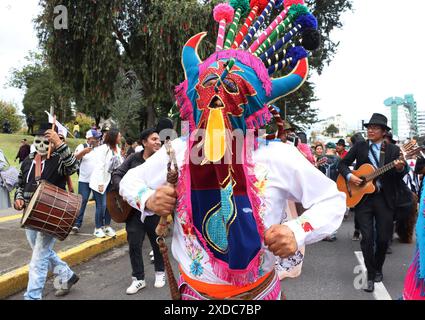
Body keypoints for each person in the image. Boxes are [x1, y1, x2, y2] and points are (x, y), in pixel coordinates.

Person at [119, 3, 344, 300]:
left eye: (232, 94)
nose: (216, 105)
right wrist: (149, 197)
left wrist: (297, 231)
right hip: (193, 295)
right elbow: (128, 181)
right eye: (208, 91)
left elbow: (332, 199)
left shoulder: (277, 156)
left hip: (259, 294)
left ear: (251, 108)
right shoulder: (180, 150)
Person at [338, 113, 408, 293]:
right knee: (367, 239)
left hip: (385, 199)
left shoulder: (392, 150)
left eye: (375, 128)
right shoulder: (360, 146)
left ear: (384, 132)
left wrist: (401, 168)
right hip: (364, 199)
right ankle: (370, 275)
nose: (370, 130)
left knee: (384, 239)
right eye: (369, 127)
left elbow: (400, 173)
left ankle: (378, 267)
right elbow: (342, 164)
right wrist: (350, 176)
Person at [13, 123, 79, 300]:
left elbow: (73, 167)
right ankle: (67, 275)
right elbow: (20, 184)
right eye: (38, 141)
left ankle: (32, 296)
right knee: (41, 252)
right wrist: (18, 198)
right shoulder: (28, 160)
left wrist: (59, 144)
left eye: (47, 142)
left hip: (52, 214)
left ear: (52, 143)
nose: (42, 146)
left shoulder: (59, 160)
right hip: (30, 215)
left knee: (38, 259)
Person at [112, 128, 165, 294]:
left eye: (159, 139)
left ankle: (160, 272)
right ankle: (138, 279)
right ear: (144, 142)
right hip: (133, 212)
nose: (158, 142)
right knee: (134, 245)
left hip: (153, 211)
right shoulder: (133, 158)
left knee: (157, 243)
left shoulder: (162, 161)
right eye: (154, 139)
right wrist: (125, 191)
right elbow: (117, 174)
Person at [89, 128, 122, 238]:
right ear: (113, 137)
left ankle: (107, 226)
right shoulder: (103, 149)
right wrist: (100, 183)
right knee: (101, 205)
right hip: (100, 181)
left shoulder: (117, 148)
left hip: (111, 182)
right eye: (119, 136)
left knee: (109, 205)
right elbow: (100, 167)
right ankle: (98, 228)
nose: (120, 138)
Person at [71, 129, 101, 233]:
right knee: (82, 201)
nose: (98, 139)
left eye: (98, 138)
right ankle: (77, 223)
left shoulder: (100, 148)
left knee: (100, 203)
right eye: (95, 138)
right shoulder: (81, 146)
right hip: (84, 180)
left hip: (97, 181)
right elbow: (74, 158)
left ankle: (100, 224)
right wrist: (83, 152)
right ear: (89, 138)